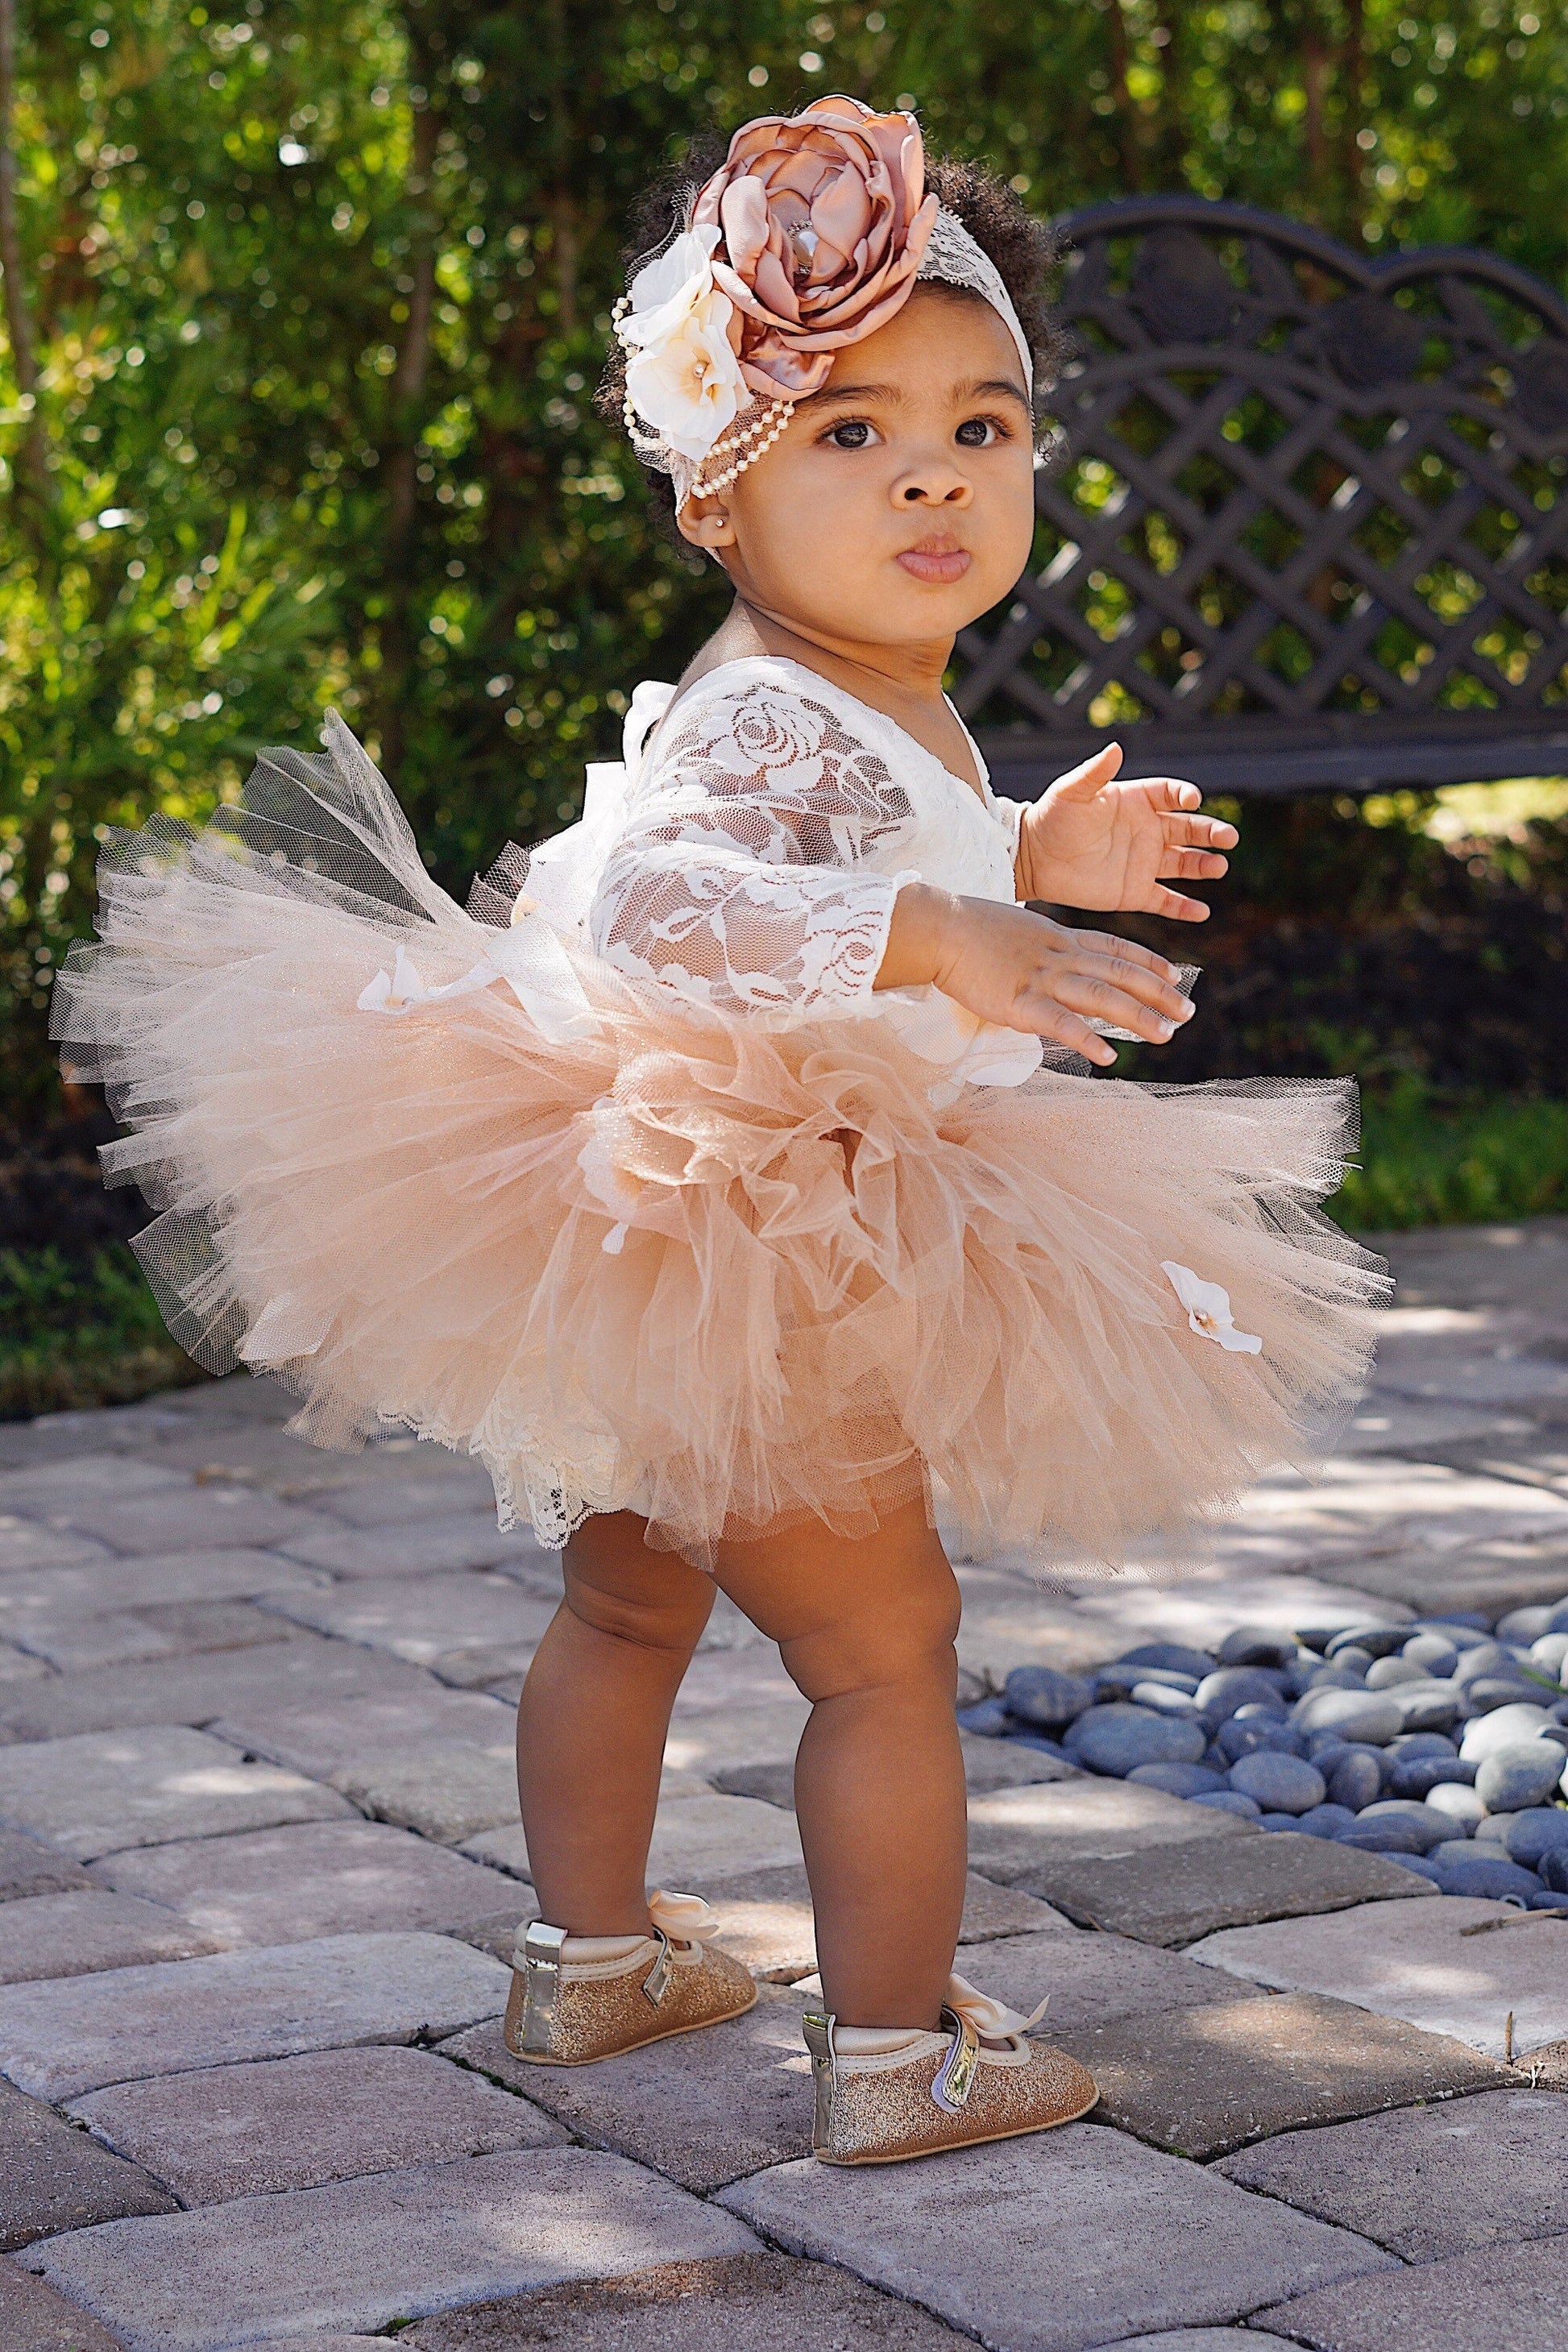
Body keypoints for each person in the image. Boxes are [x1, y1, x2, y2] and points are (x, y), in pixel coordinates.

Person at [53, 96, 1386, 2167]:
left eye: (982, 422)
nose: (933, 467)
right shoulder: (761, 700)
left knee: (630, 1593)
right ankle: (896, 2053)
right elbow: (671, 902)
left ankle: (593, 1957)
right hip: (765, 1215)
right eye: (849, 432)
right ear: (713, 492)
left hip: (711, 1226)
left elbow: (880, 839)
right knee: (883, 1643)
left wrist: (1031, 844)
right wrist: (945, 923)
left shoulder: (859, 689)